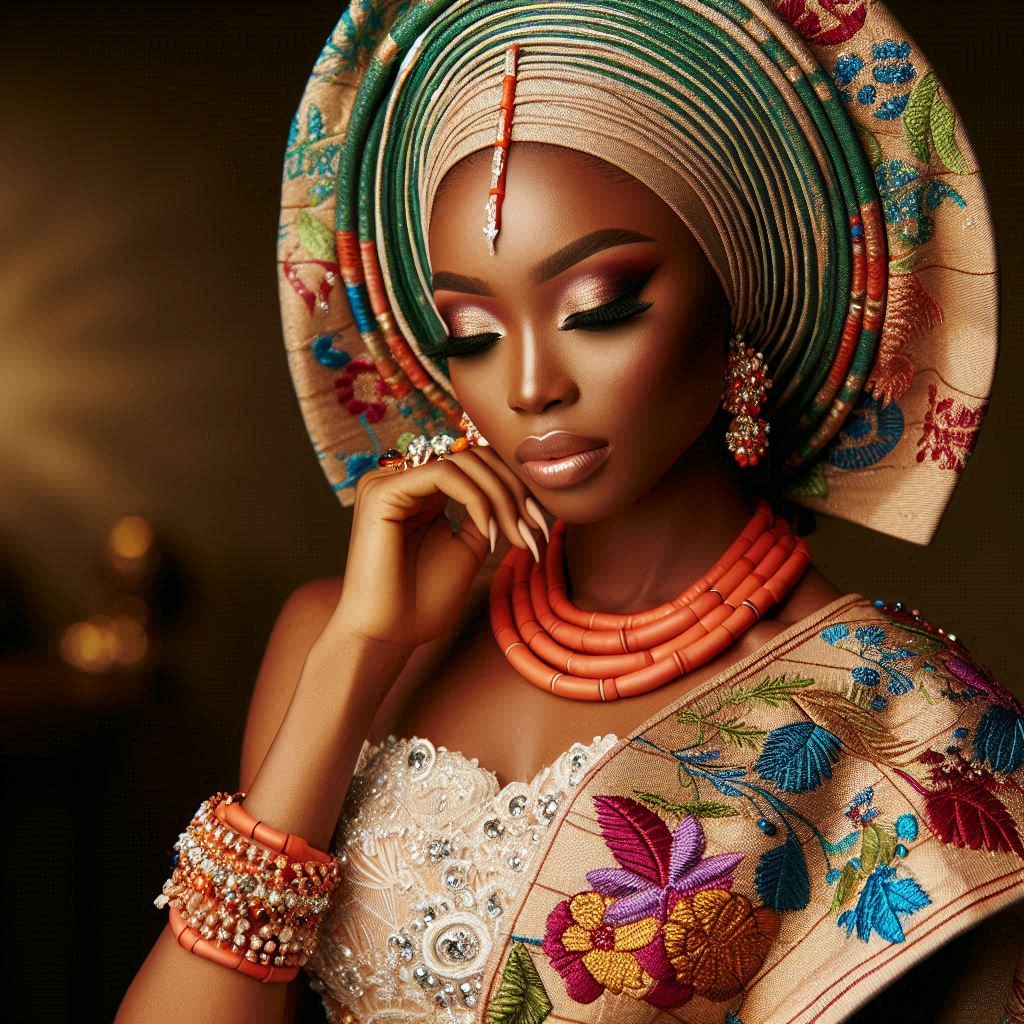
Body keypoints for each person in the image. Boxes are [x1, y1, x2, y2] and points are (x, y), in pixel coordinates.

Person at [118, 2, 1024, 1022]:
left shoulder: (894, 721)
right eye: (470, 330)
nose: (530, 383)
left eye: (597, 307)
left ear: (736, 299)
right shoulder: (338, 638)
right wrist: (358, 657)